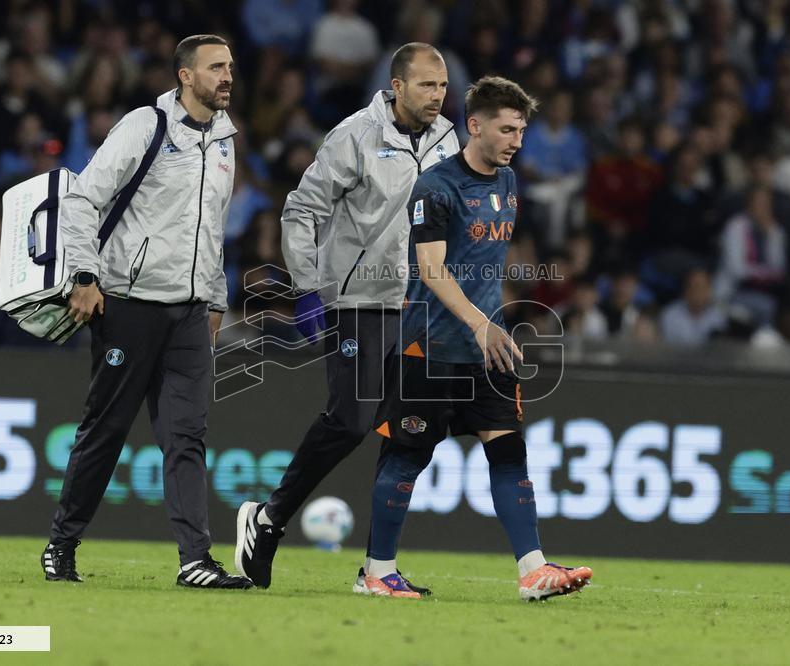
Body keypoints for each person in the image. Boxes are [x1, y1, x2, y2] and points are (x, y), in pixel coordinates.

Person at [355, 76, 593, 600]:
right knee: (407, 457)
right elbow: (432, 269)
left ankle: (533, 570)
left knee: (509, 453)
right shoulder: (436, 188)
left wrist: (495, 323)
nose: (516, 141)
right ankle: (377, 572)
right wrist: (479, 322)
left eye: (522, 131)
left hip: (489, 348)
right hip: (430, 346)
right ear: (475, 125)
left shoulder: (508, 184)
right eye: (507, 130)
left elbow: (485, 266)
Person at [234, 43, 459, 590]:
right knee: (352, 420)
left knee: (410, 431)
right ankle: (267, 521)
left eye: (444, 86)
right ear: (398, 86)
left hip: (420, 306)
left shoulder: (449, 139)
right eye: (427, 85)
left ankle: (378, 570)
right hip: (359, 300)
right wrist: (308, 287)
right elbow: (301, 209)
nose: (438, 96)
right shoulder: (354, 135)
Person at [41, 35, 251, 590]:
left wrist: (215, 296)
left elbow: (212, 231)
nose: (227, 76)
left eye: (230, 66)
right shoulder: (145, 126)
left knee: (187, 436)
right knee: (105, 430)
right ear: (185, 76)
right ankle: (62, 543)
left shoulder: (226, 139)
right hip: (129, 305)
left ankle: (195, 561)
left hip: (187, 313)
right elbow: (84, 199)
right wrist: (85, 275)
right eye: (216, 68)